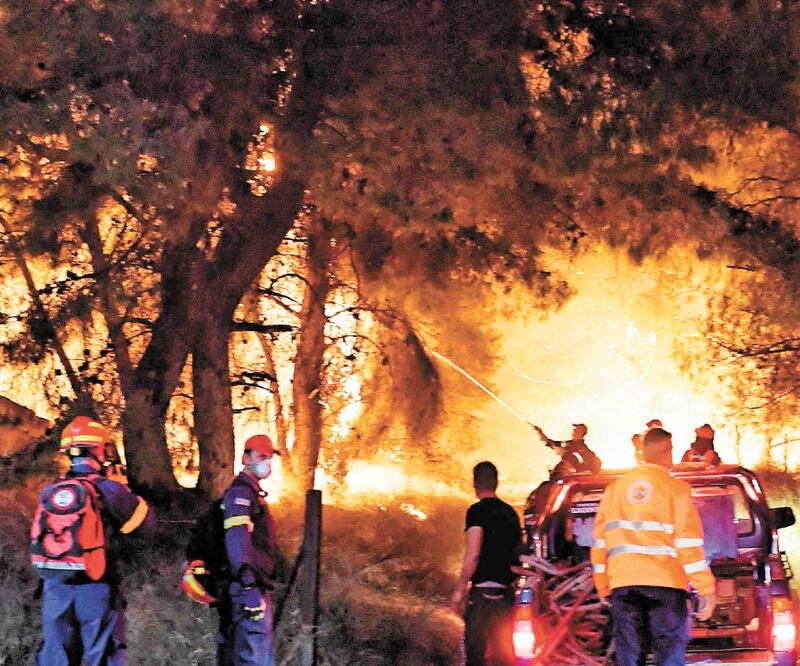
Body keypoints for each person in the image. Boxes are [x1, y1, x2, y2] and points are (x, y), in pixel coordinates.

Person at [32, 416, 155, 665]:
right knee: (102, 655)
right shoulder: (110, 489)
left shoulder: (51, 491)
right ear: (101, 449)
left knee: (56, 656)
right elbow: (146, 527)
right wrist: (124, 489)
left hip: (56, 588)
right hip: (97, 588)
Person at [590, 427, 716, 666]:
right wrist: (705, 588)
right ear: (667, 452)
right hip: (666, 585)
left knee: (629, 655)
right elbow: (688, 545)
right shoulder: (676, 490)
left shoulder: (614, 490)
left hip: (624, 586)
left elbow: (600, 544)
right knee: (668, 653)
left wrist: (603, 585)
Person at [451, 461, 521, 666]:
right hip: (505, 596)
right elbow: (516, 558)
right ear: (496, 483)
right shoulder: (511, 514)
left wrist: (459, 590)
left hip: (482, 596)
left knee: (475, 655)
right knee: (503, 656)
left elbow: (473, 555)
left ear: (475, 484)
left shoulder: (476, 511)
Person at [218, 434, 280, 666]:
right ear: (246, 458)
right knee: (256, 658)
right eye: (261, 456)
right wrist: (249, 587)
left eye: (269, 457)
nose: (267, 462)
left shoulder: (250, 493)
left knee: (248, 654)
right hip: (247, 588)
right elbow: (237, 543)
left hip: (251, 585)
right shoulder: (241, 495)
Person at [532, 423, 602, 476]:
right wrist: (540, 432)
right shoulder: (569, 444)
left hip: (576, 476)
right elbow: (551, 442)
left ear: (580, 432)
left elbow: (587, 463)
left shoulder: (580, 447)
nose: (573, 430)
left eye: (576, 429)